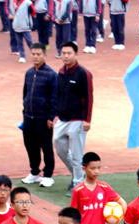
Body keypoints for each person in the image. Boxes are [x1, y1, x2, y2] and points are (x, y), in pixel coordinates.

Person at [53, 41, 93, 195]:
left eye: (69, 53)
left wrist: (87, 119)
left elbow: (89, 96)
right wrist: (56, 114)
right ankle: (78, 174)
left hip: (78, 119)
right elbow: (59, 95)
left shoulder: (83, 73)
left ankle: (78, 183)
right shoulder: (61, 72)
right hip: (63, 118)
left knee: (77, 153)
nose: (66, 56)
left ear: (76, 54)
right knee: (59, 145)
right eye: (63, 53)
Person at [69, 151, 121, 224]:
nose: (96, 171)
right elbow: (72, 215)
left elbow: (121, 202)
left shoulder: (104, 187)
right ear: (84, 168)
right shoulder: (78, 190)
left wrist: (123, 218)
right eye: (93, 168)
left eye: (99, 168)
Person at [21, 43, 57, 187]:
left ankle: (48, 174)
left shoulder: (51, 74)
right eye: (33, 54)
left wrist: (51, 116)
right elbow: (25, 93)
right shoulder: (29, 73)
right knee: (30, 145)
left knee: (46, 145)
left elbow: (54, 97)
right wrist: (24, 111)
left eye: (38, 54)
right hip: (29, 116)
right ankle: (35, 172)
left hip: (43, 118)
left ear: (45, 55)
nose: (35, 57)